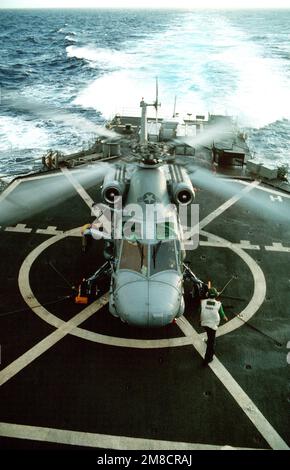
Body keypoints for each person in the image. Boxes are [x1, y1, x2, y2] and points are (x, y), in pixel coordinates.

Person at [200, 287, 228, 366]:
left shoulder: (203, 302)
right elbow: (222, 313)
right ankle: (208, 358)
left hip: (204, 323)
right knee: (211, 343)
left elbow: (199, 311)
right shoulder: (218, 304)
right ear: (216, 295)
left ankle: (209, 341)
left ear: (207, 294)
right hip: (213, 324)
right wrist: (225, 318)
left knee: (209, 334)